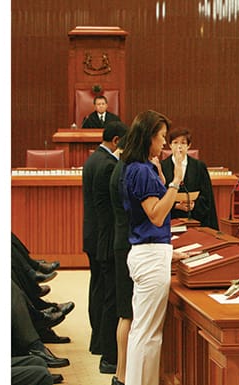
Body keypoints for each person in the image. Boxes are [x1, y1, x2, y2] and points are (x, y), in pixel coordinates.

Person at [120, 110, 187, 385]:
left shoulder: (139, 168)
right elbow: (157, 215)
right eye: (161, 138)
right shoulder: (141, 171)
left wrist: (161, 177)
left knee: (144, 332)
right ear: (148, 137)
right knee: (147, 334)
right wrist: (175, 180)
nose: (164, 144)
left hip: (149, 251)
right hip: (149, 255)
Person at [82, 121, 128, 367]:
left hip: (93, 235)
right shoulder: (110, 165)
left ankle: (97, 341)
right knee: (109, 293)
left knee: (98, 289)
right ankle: (105, 347)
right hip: (106, 237)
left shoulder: (93, 159)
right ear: (117, 141)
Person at [160, 127, 219, 229]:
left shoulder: (199, 167)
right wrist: (175, 205)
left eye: (183, 143)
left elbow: (207, 196)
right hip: (170, 219)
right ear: (170, 145)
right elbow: (158, 195)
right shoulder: (162, 167)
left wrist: (194, 205)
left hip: (195, 218)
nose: (179, 147)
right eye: (175, 143)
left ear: (189, 146)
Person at [109, 134, 132, 385]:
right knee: (127, 313)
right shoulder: (125, 171)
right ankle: (122, 375)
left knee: (126, 314)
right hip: (126, 245)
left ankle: (122, 373)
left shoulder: (120, 168)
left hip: (121, 242)